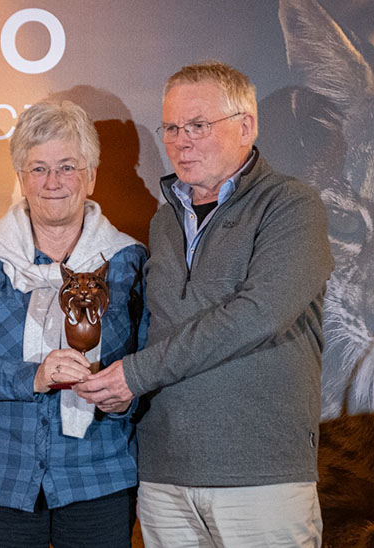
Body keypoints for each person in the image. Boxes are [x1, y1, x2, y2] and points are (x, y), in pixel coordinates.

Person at [75, 60, 333, 547]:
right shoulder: (164, 221)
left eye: (198, 125)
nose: (181, 140)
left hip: (260, 478)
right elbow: (156, 326)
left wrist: (135, 374)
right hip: (164, 477)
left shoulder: (291, 206)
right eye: (171, 127)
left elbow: (257, 314)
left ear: (246, 126)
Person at [0, 100, 148, 548]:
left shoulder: (128, 261)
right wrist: (32, 375)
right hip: (0, 477)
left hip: (99, 476)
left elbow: (150, 365)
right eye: (38, 169)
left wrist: (121, 398)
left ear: (90, 175)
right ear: (20, 178)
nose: (53, 183)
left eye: (67, 167)